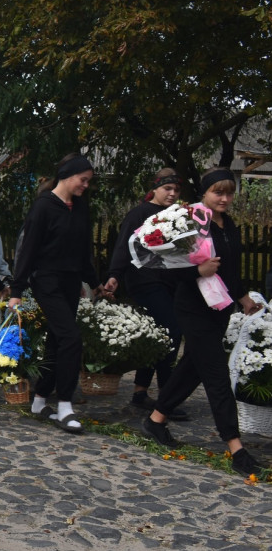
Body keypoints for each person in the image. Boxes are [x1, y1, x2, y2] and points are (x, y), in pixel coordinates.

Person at [140, 169, 266, 475]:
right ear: (204, 193)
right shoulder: (191, 222)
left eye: (229, 193)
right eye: (217, 193)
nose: (224, 199)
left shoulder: (229, 224)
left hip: (220, 306)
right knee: (216, 374)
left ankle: (155, 419)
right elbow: (166, 268)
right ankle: (235, 446)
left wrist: (242, 296)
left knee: (192, 367)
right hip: (193, 306)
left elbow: (230, 269)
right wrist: (198, 271)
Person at [8, 153, 105, 434]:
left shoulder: (81, 208)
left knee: (56, 340)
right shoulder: (44, 207)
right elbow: (28, 250)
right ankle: (64, 404)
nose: (86, 185)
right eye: (82, 180)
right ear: (66, 175)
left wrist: (94, 282)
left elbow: (84, 251)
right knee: (71, 337)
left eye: (88, 181)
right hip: (46, 281)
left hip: (70, 281)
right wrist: (17, 289)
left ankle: (39, 400)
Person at [104, 169, 185, 416]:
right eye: (167, 189)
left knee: (157, 334)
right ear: (155, 189)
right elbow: (124, 245)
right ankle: (166, 399)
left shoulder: (176, 216)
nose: (172, 194)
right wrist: (114, 275)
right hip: (145, 281)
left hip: (169, 282)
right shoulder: (139, 213)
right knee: (171, 332)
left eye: (176, 190)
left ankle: (140, 392)